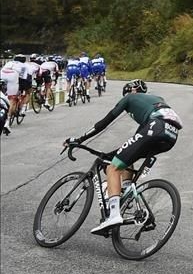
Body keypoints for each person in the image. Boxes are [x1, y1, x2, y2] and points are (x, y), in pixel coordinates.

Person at [63, 80, 183, 233]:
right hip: (171, 136)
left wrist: (79, 140)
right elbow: (134, 144)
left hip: (155, 128)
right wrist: (115, 154)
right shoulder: (156, 101)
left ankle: (114, 215)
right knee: (125, 158)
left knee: (113, 167)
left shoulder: (130, 98)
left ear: (132, 91)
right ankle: (126, 192)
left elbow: (103, 124)